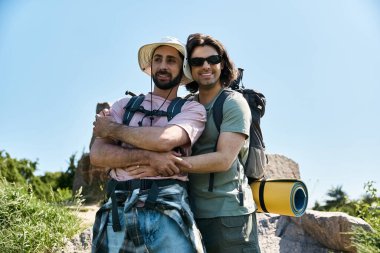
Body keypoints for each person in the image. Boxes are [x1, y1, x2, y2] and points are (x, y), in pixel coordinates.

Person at [126, 33, 261, 253]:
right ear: (189, 68)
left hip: (229, 215)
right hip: (190, 211)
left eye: (213, 60)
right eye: (197, 61)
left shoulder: (233, 103)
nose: (205, 66)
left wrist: (167, 163)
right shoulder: (187, 105)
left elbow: (223, 159)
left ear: (223, 63)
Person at [90, 36, 206, 253]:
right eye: (158, 59)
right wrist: (150, 158)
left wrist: (113, 130)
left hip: (168, 210)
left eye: (171, 60)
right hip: (118, 209)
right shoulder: (123, 105)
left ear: (182, 68)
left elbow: (164, 140)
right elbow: (98, 154)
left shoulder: (192, 110)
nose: (163, 66)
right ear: (150, 65)